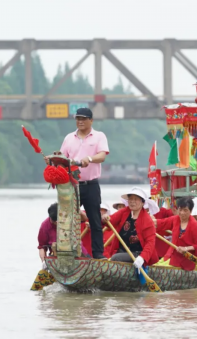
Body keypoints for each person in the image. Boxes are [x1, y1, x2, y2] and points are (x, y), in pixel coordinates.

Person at [49, 107, 109, 260]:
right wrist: (52, 161)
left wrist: (88, 159)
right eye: (78, 119)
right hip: (72, 186)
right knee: (66, 219)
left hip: (91, 185)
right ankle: (66, 251)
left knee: (95, 220)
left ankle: (98, 255)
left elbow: (102, 155)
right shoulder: (69, 137)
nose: (80, 121)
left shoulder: (99, 136)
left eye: (83, 119)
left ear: (91, 120)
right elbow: (62, 159)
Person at [103, 187, 158, 269]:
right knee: (114, 256)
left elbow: (150, 242)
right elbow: (111, 221)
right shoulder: (124, 211)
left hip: (138, 253)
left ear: (142, 202)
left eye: (135, 199)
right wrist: (105, 218)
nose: (132, 202)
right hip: (122, 251)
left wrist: (142, 258)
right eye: (130, 199)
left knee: (116, 258)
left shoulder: (147, 220)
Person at [154, 197, 197, 271]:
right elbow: (162, 223)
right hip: (172, 255)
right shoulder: (175, 219)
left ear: (191, 211)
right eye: (180, 209)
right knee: (154, 266)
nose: (182, 213)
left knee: (159, 270)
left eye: (185, 210)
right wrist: (149, 221)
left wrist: (186, 249)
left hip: (185, 260)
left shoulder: (194, 225)